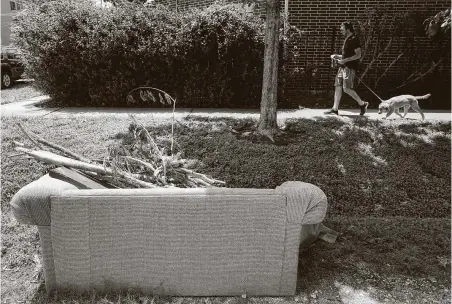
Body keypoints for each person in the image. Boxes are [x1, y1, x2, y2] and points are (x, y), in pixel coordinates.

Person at [325, 21, 368, 116]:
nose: (341, 30)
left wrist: (344, 61)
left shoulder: (354, 39)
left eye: (342, 29)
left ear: (348, 29)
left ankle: (362, 104)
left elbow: (358, 55)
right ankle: (335, 109)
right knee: (338, 86)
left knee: (347, 88)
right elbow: (347, 55)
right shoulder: (347, 39)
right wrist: (338, 56)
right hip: (343, 67)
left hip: (349, 68)